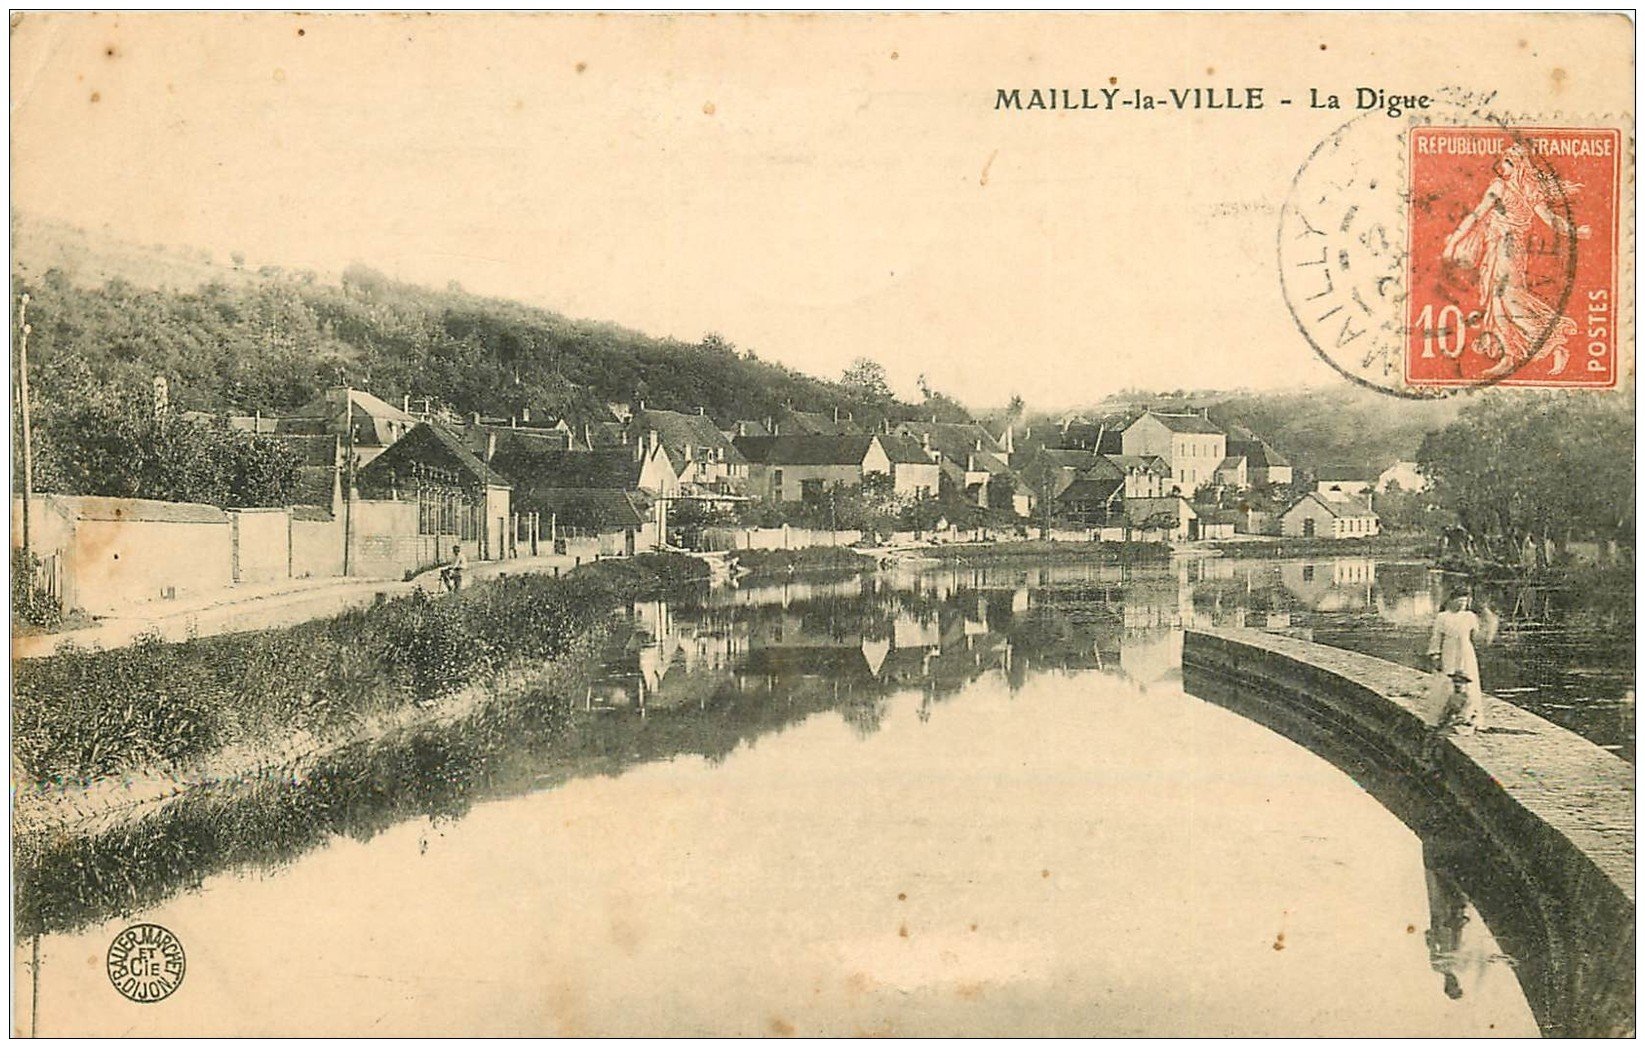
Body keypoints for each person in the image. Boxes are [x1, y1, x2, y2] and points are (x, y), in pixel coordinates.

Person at [1441, 143, 1591, 377]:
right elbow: (1550, 220)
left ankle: (1552, 342)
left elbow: (1477, 216)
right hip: (1507, 249)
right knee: (1499, 302)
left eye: (1508, 162)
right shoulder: (1524, 191)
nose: (1503, 166)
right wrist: (1576, 231)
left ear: (1518, 166)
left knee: (1508, 300)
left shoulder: (1503, 188)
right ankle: (1515, 355)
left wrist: (1454, 242)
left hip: (1506, 249)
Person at [1426, 586, 1497, 732]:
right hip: (1449, 650)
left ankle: (1469, 714)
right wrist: (1435, 655)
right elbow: (1436, 638)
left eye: (1464, 602)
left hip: (1466, 651)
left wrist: (1489, 621)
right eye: (1459, 601)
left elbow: (1478, 638)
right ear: (1451, 601)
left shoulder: (1469, 616)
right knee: (1445, 682)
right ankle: (1440, 717)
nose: (1461, 605)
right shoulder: (1443, 617)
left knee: (1468, 681)